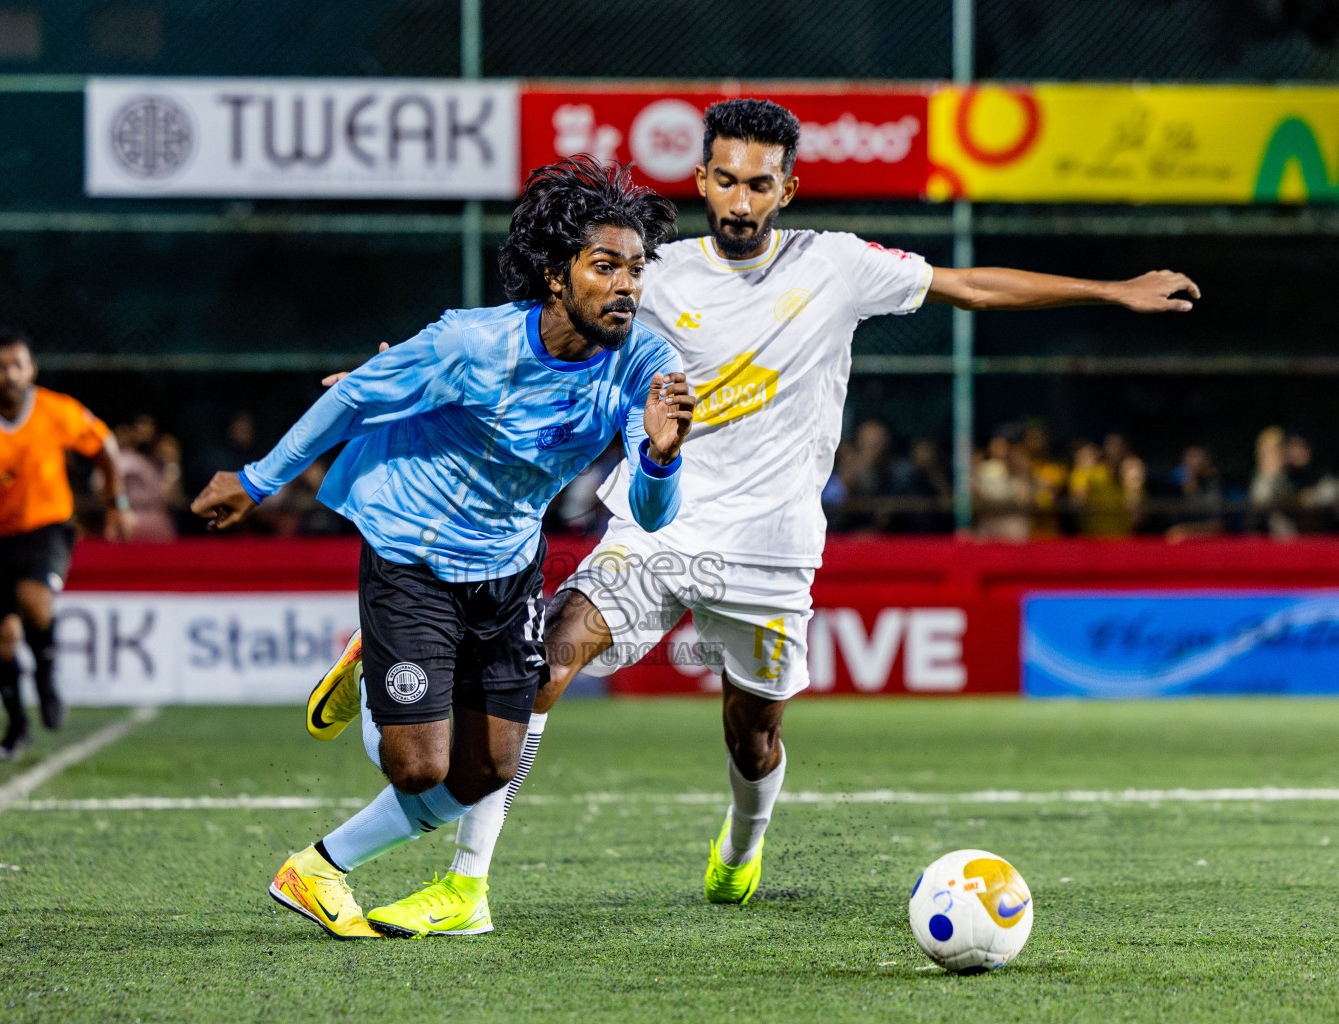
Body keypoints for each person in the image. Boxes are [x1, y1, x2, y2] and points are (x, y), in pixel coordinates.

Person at [319, 97, 1201, 937]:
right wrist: (396, 379)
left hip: (773, 552)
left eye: (759, 184)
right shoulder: (651, 272)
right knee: (544, 664)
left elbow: (969, 286)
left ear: (789, 189)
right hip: (657, 528)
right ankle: (466, 887)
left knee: (756, 733)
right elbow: (530, 332)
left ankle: (742, 845)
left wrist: (1112, 290)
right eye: (726, 180)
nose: (741, 201)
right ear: (700, 180)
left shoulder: (838, 264)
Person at [189, 156, 694, 940]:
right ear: (557, 276)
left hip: (508, 572)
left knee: (490, 766)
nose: (628, 285)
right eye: (606, 267)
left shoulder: (647, 365)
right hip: (412, 558)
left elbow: (656, 515)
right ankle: (374, 678)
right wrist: (256, 482)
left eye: (636, 269)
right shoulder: (471, 343)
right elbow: (356, 395)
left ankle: (316, 868)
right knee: (418, 767)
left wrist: (661, 458)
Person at [0, 328, 135, 760]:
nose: (9, 375)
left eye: (17, 365)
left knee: (35, 601)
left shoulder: (55, 411)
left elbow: (104, 445)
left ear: (31, 369)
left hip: (46, 526)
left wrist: (116, 500)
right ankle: (17, 723)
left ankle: (45, 674)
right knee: (2, 638)